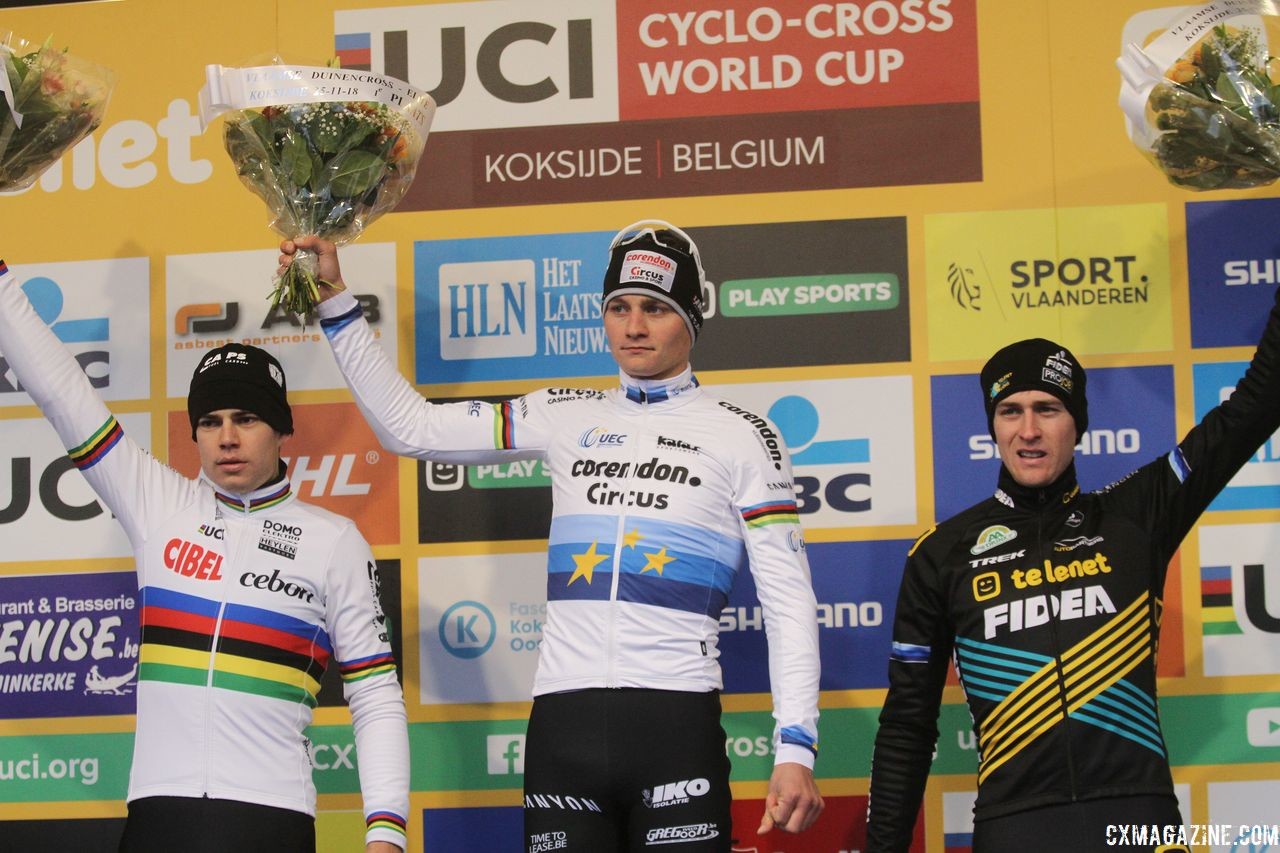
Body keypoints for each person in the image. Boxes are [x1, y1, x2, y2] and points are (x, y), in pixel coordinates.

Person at [281, 222, 823, 851]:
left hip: (674, 722)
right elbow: (413, 429)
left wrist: (795, 746)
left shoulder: (743, 435)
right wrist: (334, 301)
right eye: (618, 308)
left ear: (692, 318)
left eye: (655, 309)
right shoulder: (565, 412)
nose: (634, 326)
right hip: (563, 728)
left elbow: (788, 602)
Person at [0, 258, 410, 853]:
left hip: (272, 818)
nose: (227, 437)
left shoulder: (333, 541)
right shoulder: (158, 504)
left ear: (280, 429)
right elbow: (61, 390)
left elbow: (374, 694)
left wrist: (386, 832)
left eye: (246, 419)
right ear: (193, 433)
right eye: (211, 421)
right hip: (158, 817)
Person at [866, 286, 1280, 852]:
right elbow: (907, 727)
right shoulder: (942, 555)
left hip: (1138, 820)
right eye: (1010, 411)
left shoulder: (1137, 514)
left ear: (1077, 423)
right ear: (993, 426)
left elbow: (1254, 405)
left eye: (1048, 409)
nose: (1028, 430)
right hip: (1016, 826)